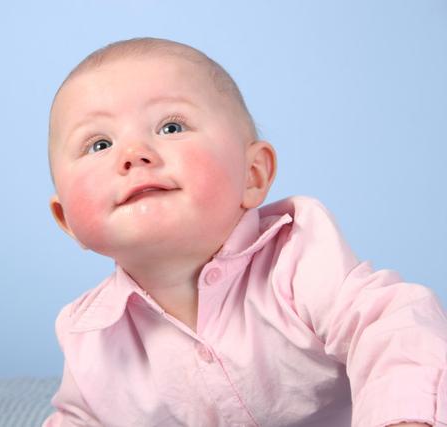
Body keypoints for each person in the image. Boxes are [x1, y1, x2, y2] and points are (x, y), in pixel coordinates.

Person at [42, 37, 447, 426]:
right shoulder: (89, 336)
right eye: (98, 144)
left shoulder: (296, 257)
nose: (134, 154)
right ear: (67, 221)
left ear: (252, 175)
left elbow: (392, 326)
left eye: (170, 127)